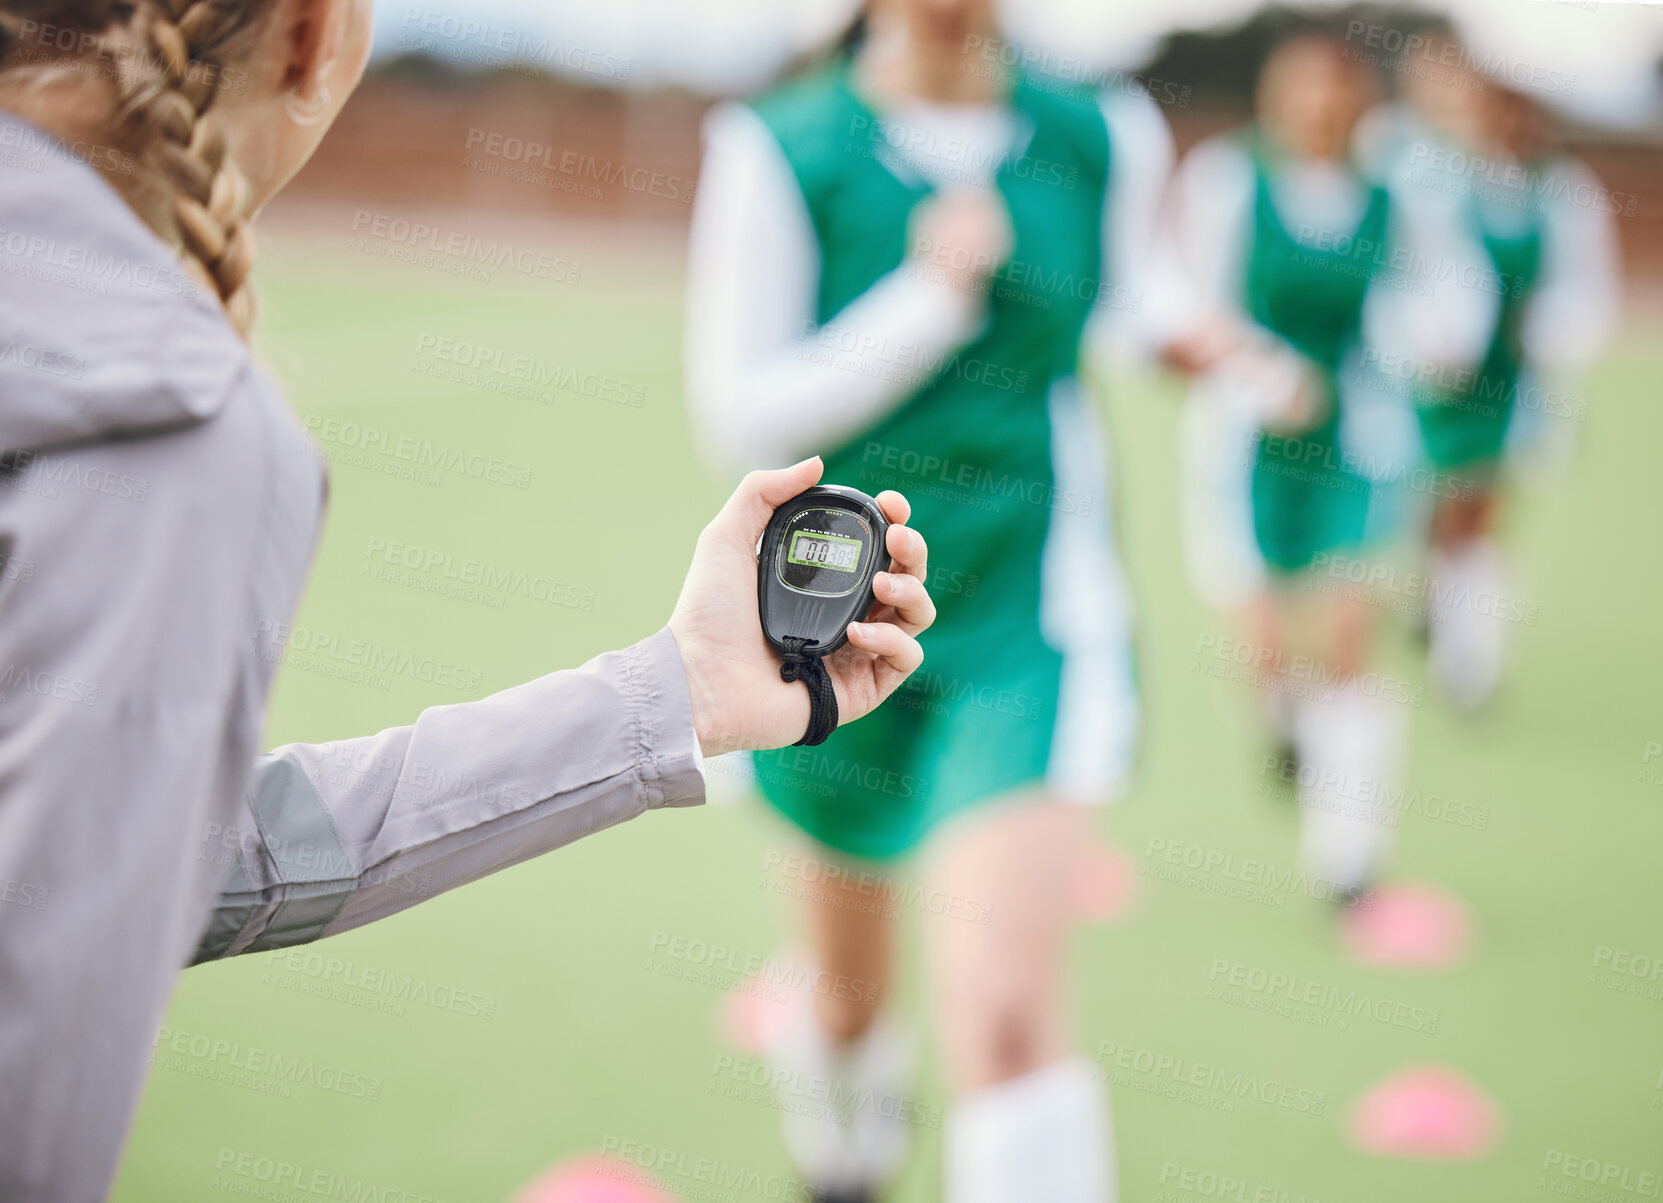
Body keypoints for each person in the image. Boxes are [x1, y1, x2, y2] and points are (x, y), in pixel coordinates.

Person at [0, 2, 936, 1199]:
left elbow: (130, 861)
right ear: (313, 37)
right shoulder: (166, 422)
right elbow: (59, 978)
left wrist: (674, 694)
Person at [684, 0, 1178, 1197]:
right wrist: (928, 297)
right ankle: (845, 1150)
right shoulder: (777, 146)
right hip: (826, 623)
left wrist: (1215, 346)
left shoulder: (1104, 130)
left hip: (1027, 615)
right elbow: (737, 416)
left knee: (1004, 1016)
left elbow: (1134, 300)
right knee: (848, 1006)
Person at [1161, 34, 1447, 901]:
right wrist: (1259, 376)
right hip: (1247, 446)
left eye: (1335, 90)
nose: (1318, 107)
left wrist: (1418, 345)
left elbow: (1443, 302)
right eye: (1301, 89)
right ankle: (1282, 724)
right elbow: (1183, 308)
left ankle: (1348, 859)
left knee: (1349, 635)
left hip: (1354, 443)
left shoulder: (1398, 194)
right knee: (1266, 649)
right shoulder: (1225, 182)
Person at [1363, 43, 1619, 707]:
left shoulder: (1560, 192)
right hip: (1434, 383)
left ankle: (1468, 657)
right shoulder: (1424, 175)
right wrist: (1422, 338)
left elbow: (1584, 293)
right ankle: (1429, 595)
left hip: (1512, 387)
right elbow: (1394, 269)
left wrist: (1555, 331)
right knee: (1431, 503)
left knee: (1480, 514)